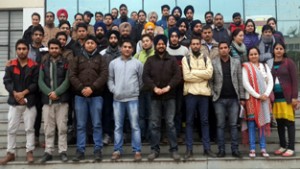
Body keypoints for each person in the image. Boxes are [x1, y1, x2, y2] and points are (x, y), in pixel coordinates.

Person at [69, 35, 108, 162]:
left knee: (97, 124)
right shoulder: (77, 58)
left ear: (96, 45)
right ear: (84, 45)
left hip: (96, 96)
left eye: (92, 43)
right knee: (80, 125)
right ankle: (80, 150)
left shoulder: (101, 59)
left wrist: (92, 88)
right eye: (88, 43)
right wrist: (81, 88)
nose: (90, 44)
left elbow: (104, 75)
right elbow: (72, 75)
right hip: (80, 96)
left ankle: (98, 150)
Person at [143, 35, 181, 162]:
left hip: (170, 96)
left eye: (163, 44)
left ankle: (174, 149)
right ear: (155, 45)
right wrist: (154, 88)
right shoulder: (150, 60)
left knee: (170, 123)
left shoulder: (172, 60)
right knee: (154, 124)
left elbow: (177, 76)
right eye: (158, 44)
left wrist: (168, 87)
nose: (161, 46)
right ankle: (155, 150)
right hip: (154, 97)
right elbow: (145, 77)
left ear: (165, 45)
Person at [0, 39, 39, 165]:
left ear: (28, 50)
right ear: (16, 50)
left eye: (24, 49)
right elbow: (7, 81)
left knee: (29, 129)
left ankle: (29, 152)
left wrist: (24, 93)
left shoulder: (34, 65)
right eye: (19, 49)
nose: (22, 51)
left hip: (30, 102)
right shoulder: (11, 65)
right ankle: (10, 153)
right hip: (14, 101)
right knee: (11, 129)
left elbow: (35, 83)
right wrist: (15, 93)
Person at [108, 39, 143, 161]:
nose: (127, 49)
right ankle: (117, 150)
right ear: (120, 48)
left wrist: (135, 91)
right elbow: (110, 79)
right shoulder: (113, 63)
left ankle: (137, 150)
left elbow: (140, 81)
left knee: (135, 125)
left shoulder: (138, 64)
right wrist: (114, 90)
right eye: (125, 47)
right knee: (118, 126)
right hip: (117, 99)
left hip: (133, 98)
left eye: (129, 47)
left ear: (132, 49)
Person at [182, 37, 215, 160]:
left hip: (204, 94)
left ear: (200, 46)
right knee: (189, 122)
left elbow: (210, 74)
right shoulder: (186, 59)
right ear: (190, 46)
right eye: (193, 44)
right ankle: (189, 149)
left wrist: (194, 72)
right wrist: (202, 75)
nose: (195, 46)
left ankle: (207, 149)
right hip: (190, 93)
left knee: (205, 121)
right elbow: (186, 76)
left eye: (197, 44)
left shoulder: (206, 58)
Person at [38, 39, 70, 163]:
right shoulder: (43, 63)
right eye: (52, 48)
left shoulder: (66, 62)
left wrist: (57, 92)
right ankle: (49, 151)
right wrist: (49, 93)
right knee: (48, 128)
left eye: (56, 48)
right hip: (47, 101)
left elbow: (67, 80)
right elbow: (40, 81)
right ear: (49, 49)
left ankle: (63, 151)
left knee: (62, 128)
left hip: (62, 101)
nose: (54, 50)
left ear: (60, 49)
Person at [211, 42, 245, 158]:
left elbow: (240, 80)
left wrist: (241, 97)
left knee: (233, 125)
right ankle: (221, 150)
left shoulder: (236, 62)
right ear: (219, 50)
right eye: (221, 48)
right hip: (219, 99)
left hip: (234, 99)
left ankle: (235, 150)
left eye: (225, 48)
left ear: (229, 49)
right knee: (220, 125)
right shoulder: (214, 62)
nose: (224, 50)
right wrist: (213, 94)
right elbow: (210, 81)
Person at [267, 42, 298, 157]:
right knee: (279, 123)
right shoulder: (270, 63)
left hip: (288, 98)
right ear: (273, 50)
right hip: (276, 99)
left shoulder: (289, 62)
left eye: (281, 48)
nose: (278, 50)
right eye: (276, 48)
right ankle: (283, 145)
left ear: (284, 50)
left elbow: (295, 81)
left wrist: (295, 97)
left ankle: (291, 147)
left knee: (289, 123)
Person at [242, 47, 273, 158]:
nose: (254, 56)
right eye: (251, 54)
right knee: (251, 124)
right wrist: (257, 95)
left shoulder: (264, 66)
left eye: (255, 54)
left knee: (262, 124)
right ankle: (252, 149)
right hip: (251, 99)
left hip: (265, 98)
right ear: (248, 56)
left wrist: (266, 94)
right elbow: (245, 84)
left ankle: (263, 148)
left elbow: (270, 81)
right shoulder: (246, 67)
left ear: (258, 55)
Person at [100, 30, 121, 145]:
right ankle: (107, 134)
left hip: (122, 88)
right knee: (107, 112)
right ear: (108, 39)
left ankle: (121, 135)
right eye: (111, 38)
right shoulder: (103, 53)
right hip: (107, 89)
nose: (113, 40)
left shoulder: (124, 52)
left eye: (115, 38)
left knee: (120, 113)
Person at [134, 34, 154, 142]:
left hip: (152, 90)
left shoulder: (155, 54)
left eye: (147, 41)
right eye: (143, 41)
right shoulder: (137, 56)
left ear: (151, 42)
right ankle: (141, 136)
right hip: (140, 90)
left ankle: (150, 136)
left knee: (151, 114)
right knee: (140, 114)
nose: (145, 43)